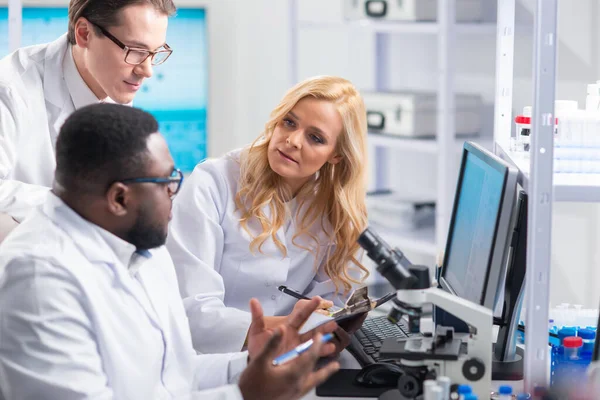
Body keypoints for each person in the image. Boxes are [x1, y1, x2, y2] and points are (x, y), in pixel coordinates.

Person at [0, 104, 340, 400]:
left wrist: (253, 363)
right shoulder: (38, 280)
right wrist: (244, 396)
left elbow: (173, 377)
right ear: (120, 199)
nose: (175, 194)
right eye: (166, 183)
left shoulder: (140, 245)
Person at [167, 75, 370, 354]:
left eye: (315, 137)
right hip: (205, 364)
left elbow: (331, 301)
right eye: (289, 122)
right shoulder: (213, 182)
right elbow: (194, 314)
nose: (293, 140)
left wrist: (317, 315)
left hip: (288, 359)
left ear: (336, 155)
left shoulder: (333, 209)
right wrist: (289, 325)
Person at [0, 0, 175, 223]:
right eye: (135, 51)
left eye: (155, 52)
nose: (147, 70)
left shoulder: (114, 83)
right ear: (84, 34)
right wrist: (79, 205)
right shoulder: (10, 90)